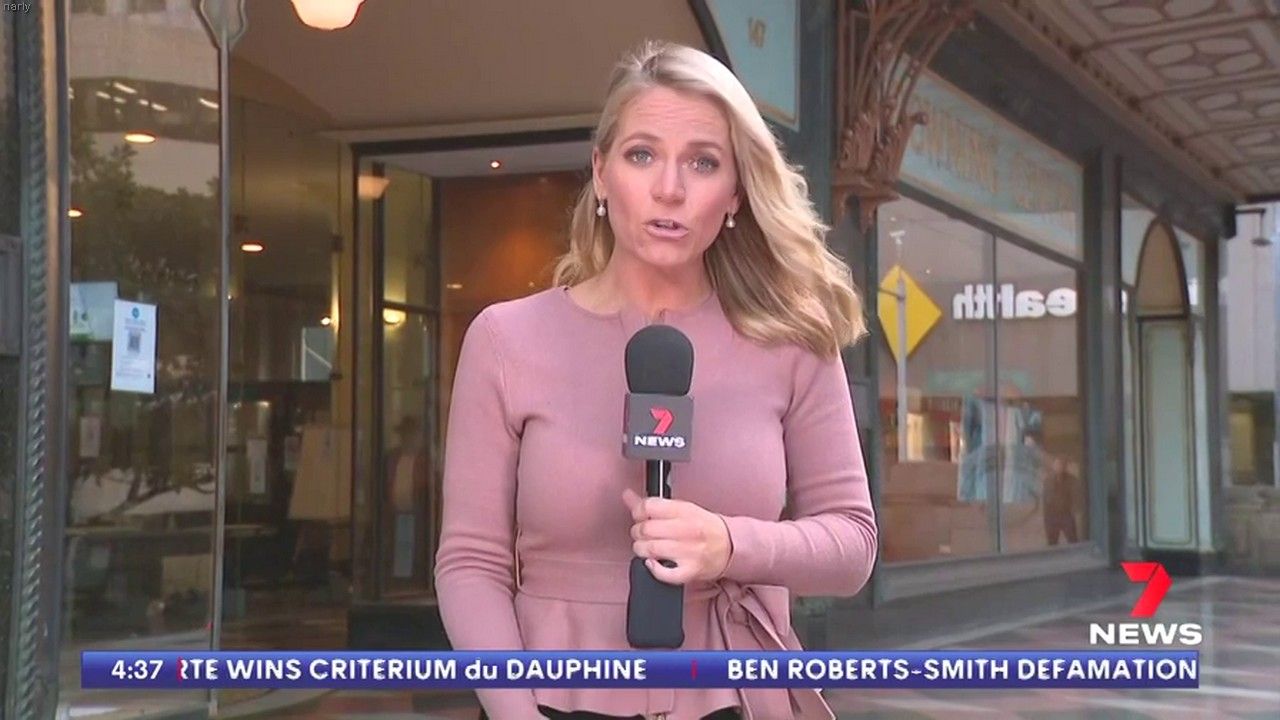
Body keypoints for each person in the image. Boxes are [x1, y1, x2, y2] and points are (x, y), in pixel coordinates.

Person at [435, 41, 877, 720]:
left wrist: (730, 545)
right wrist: (515, 712)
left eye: (703, 162)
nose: (670, 189)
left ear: (735, 192)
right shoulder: (505, 339)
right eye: (642, 155)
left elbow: (852, 545)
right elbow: (471, 563)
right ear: (601, 172)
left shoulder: (793, 343)